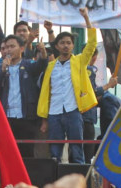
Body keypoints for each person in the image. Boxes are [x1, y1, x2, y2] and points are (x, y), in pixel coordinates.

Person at [37, 8, 97, 164]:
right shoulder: (51, 66)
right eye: (62, 43)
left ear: (72, 46)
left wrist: (86, 18)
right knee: (54, 152)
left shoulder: (79, 61)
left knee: (77, 149)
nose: (65, 45)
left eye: (68, 43)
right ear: (56, 46)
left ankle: (80, 184)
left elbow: (92, 43)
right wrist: (44, 119)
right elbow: (46, 93)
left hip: (73, 111)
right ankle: (54, 182)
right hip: (54, 112)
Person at [0, 36, 48, 158]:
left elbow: (41, 65)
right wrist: (2, 70)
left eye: (12, 46)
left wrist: (43, 52)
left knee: (26, 153)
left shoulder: (28, 65)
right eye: (6, 47)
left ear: (21, 48)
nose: (8, 50)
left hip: (26, 117)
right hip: (6, 117)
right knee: (7, 153)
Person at [82, 48, 117, 162]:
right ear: (94, 57)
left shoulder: (77, 69)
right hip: (86, 116)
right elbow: (93, 93)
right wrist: (108, 85)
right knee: (87, 151)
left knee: (77, 149)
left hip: (80, 116)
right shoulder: (88, 70)